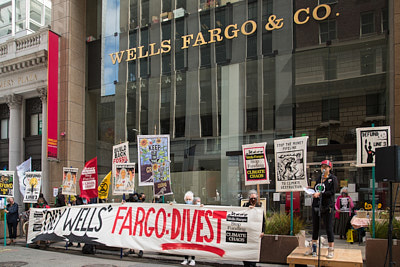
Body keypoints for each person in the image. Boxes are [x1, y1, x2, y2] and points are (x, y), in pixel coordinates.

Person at [305, 160, 338, 258]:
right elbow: (317, 188)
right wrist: (311, 189)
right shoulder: (319, 178)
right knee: (315, 227)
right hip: (317, 205)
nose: (323, 168)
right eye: (322, 167)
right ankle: (313, 248)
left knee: (328, 228)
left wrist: (320, 194)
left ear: (329, 168)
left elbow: (332, 192)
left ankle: (331, 249)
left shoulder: (333, 179)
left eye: (326, 167)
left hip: (327, 206)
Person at [242, 190, 265, 267]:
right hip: (247, 233)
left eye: (254, 198)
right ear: (249, 198)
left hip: (255, 234)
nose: (253, 200)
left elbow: (263, 221)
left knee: (253, 251)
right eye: (251, 198)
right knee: (245, 252)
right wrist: (248, 209)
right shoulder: (245, 206)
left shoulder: (259, 208)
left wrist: (263, 231)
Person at [181, 191, 196, 266]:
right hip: (185, 227)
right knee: (185, 244)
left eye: (189, 199)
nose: (188, 201)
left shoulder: (195, 206)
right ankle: (186, 259)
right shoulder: (182, 206)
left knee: (192, 244)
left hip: (193, 227)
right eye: (187, 199)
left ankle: (193, 259)